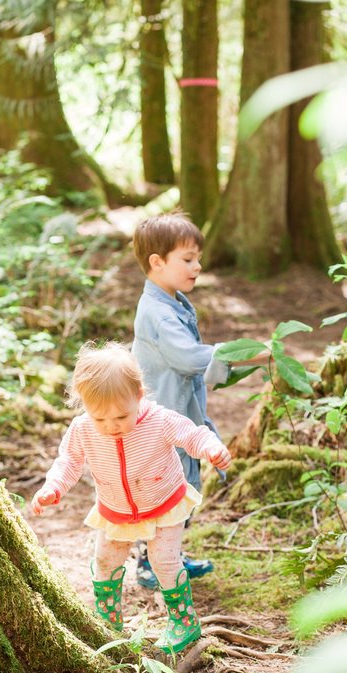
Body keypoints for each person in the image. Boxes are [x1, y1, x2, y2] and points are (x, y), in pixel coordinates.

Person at [31, 342, 232, 653]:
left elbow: (192, 434)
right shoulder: (83, 429)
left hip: (164, 502)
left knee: (163, 561)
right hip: (115, 509)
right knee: (105, 561)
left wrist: (211, 449)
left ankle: (183, 621)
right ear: (84, 405)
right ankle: (108, 620)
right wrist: (53, 487)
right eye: (101, 419)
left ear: (139, 395)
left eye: (121, 417)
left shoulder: (159, 420)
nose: (111, 427)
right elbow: (69, 461)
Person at [130, 211, 229, 589]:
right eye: (187, 259)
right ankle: (150, 562)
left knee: (183, 488)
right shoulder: (157, 311)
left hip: (179, 413)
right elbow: (188, 358)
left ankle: (169, 554)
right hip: (163, 418)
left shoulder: (173, 302)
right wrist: (235, 353)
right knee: (165, 489)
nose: (197, 266)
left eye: (197, 258)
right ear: (157, 262)